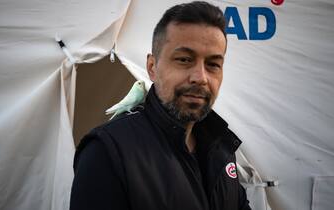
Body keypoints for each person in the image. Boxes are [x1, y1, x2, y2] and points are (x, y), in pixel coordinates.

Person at [70, 1, 251, 210]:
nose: (200, 77)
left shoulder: (221, 148)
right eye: (184, 59)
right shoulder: (107, 152)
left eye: (213, 64)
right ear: (152, 67)